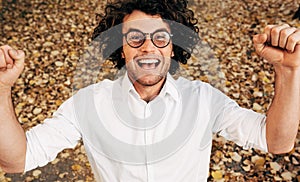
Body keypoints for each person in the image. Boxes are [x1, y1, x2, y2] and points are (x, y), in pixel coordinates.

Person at [0, 0, 299, 181]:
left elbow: (276, 141)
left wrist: (289, 70)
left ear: (172, 47)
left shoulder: (204, 99)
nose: (147, 47)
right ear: (120, 49)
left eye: (159, 37)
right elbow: (16, 160)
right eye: (135, 38)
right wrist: (1, 89)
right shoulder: (88, 103)